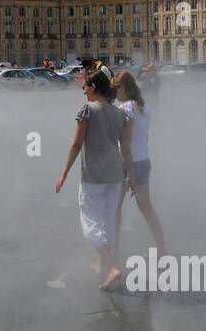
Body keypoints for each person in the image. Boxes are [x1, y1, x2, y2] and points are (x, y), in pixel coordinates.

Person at [56, 69, 130, 289]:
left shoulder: (88, 111)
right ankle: (108, 267)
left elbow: (76, 145)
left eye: (85, 86)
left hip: (94, 176)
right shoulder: (118, 113)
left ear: (94, 88)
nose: (83, 89)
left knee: (90, 224)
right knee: (107, 221)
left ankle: (112, 266)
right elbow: (122, 146)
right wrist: (130, 176)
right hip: (115, 174)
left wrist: (64, 173)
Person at [111, 70, 168, 258]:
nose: (114, 93)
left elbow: (124, 142)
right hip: (143, 160)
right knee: (146, 207)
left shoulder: (124, 109)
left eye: (115, 89)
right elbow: (145, 137)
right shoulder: (145, 108)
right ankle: (162, 247)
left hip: (126, 163)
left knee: (114, 209)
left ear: (124, 88)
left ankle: (113, 250)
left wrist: (128, 172)